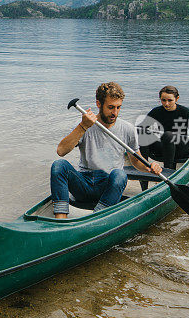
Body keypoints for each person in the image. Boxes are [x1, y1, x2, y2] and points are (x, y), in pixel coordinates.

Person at [50, 82, 161, 219]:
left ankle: (99, 217)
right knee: (59, 165)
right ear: (98, 104)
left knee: (120, 175)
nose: (115, 112)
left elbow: (136, 161)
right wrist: (83, 126)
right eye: (110, 107)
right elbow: (61, 151)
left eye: (118, 107)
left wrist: (150, 167)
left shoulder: (127, 129)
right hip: (84, 182)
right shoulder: (84, 124)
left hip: (108, 186)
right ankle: (60, 221)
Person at [139, 85, 189, 169]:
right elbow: (142, 127)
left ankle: (168, 170)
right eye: (163, 100)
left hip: (180, 148)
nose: (166, 104)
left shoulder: (185, 112)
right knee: (142, 133)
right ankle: (144, 167)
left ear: (177, 99)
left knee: (168, 135)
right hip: (163, 147)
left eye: (170, 100)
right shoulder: (156, 111)